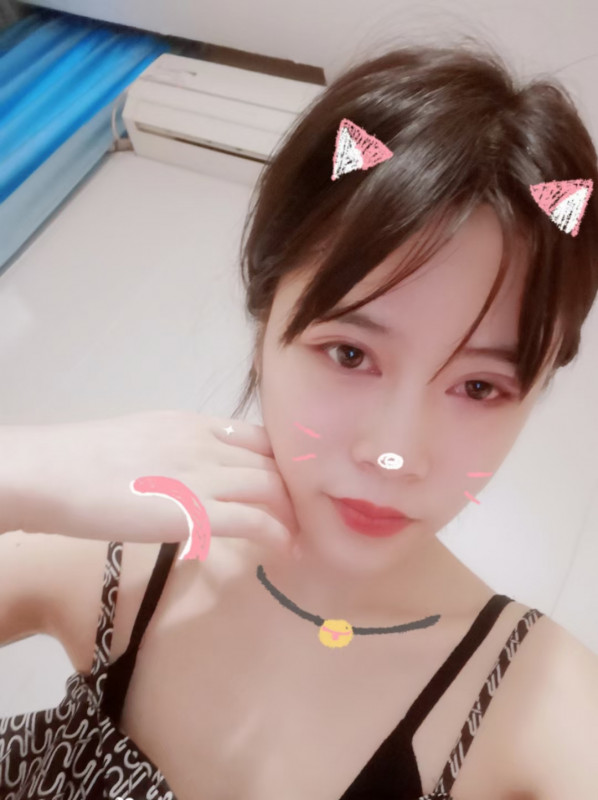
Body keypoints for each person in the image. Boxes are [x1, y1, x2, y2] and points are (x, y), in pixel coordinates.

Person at [1, 36, 598, 800]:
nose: (393, 453)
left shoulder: (535, 704)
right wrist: (21, 468)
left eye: (479, 387)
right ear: (266, 319)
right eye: (350, 354)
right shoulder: (125, 552)